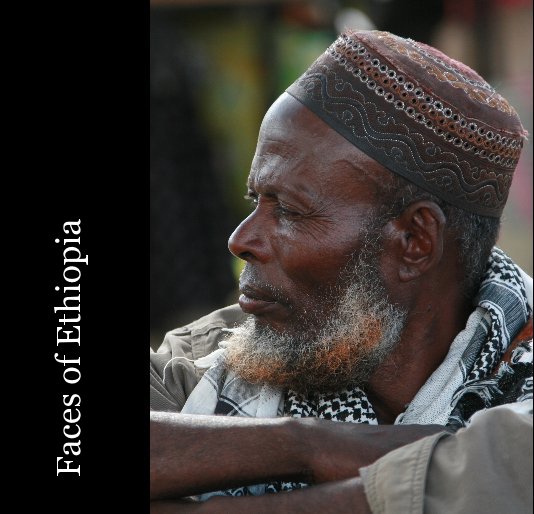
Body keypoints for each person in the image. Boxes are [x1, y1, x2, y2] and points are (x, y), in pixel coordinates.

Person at [150, 30, 533, 510]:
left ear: (415, 240)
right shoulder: (207, 361)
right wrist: (308, 444)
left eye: (288, 210)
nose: (240, 240)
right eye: (256, 201)